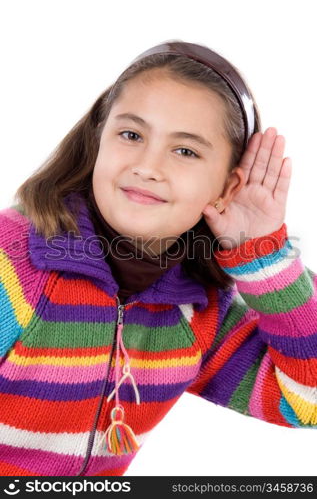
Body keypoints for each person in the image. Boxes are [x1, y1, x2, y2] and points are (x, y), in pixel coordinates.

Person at [0, 39, 316, 477]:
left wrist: (262, 253)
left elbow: (307, 402)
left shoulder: (198, 311)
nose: (148, 166)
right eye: (131, 135)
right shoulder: (15, 261)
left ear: (227, 188)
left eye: (185, 150)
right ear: (99, 141)